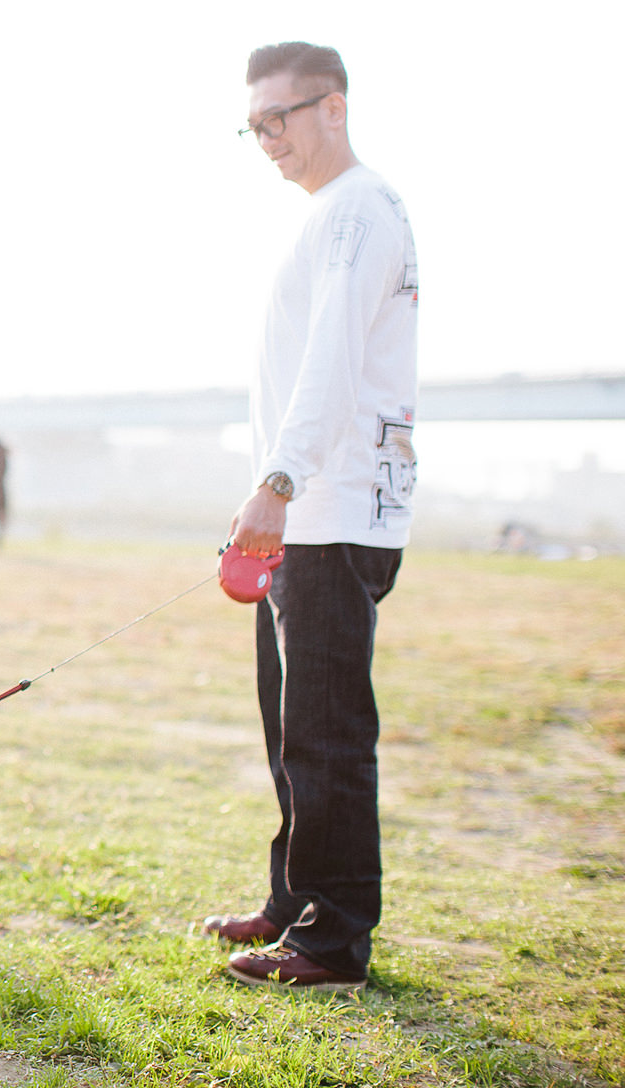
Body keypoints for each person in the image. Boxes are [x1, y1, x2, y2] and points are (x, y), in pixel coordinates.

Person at [201, 42, 418, 992]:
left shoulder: (357, 214)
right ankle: (295, 900)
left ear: (334, 107)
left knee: (326, 732)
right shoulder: (327, 214)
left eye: (278, 119)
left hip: (328, 515)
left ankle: (332, 941)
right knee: (291, 726)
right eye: (253, 126)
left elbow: (330, 362)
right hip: (303, 517)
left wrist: (278, 482)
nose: (266, 141)